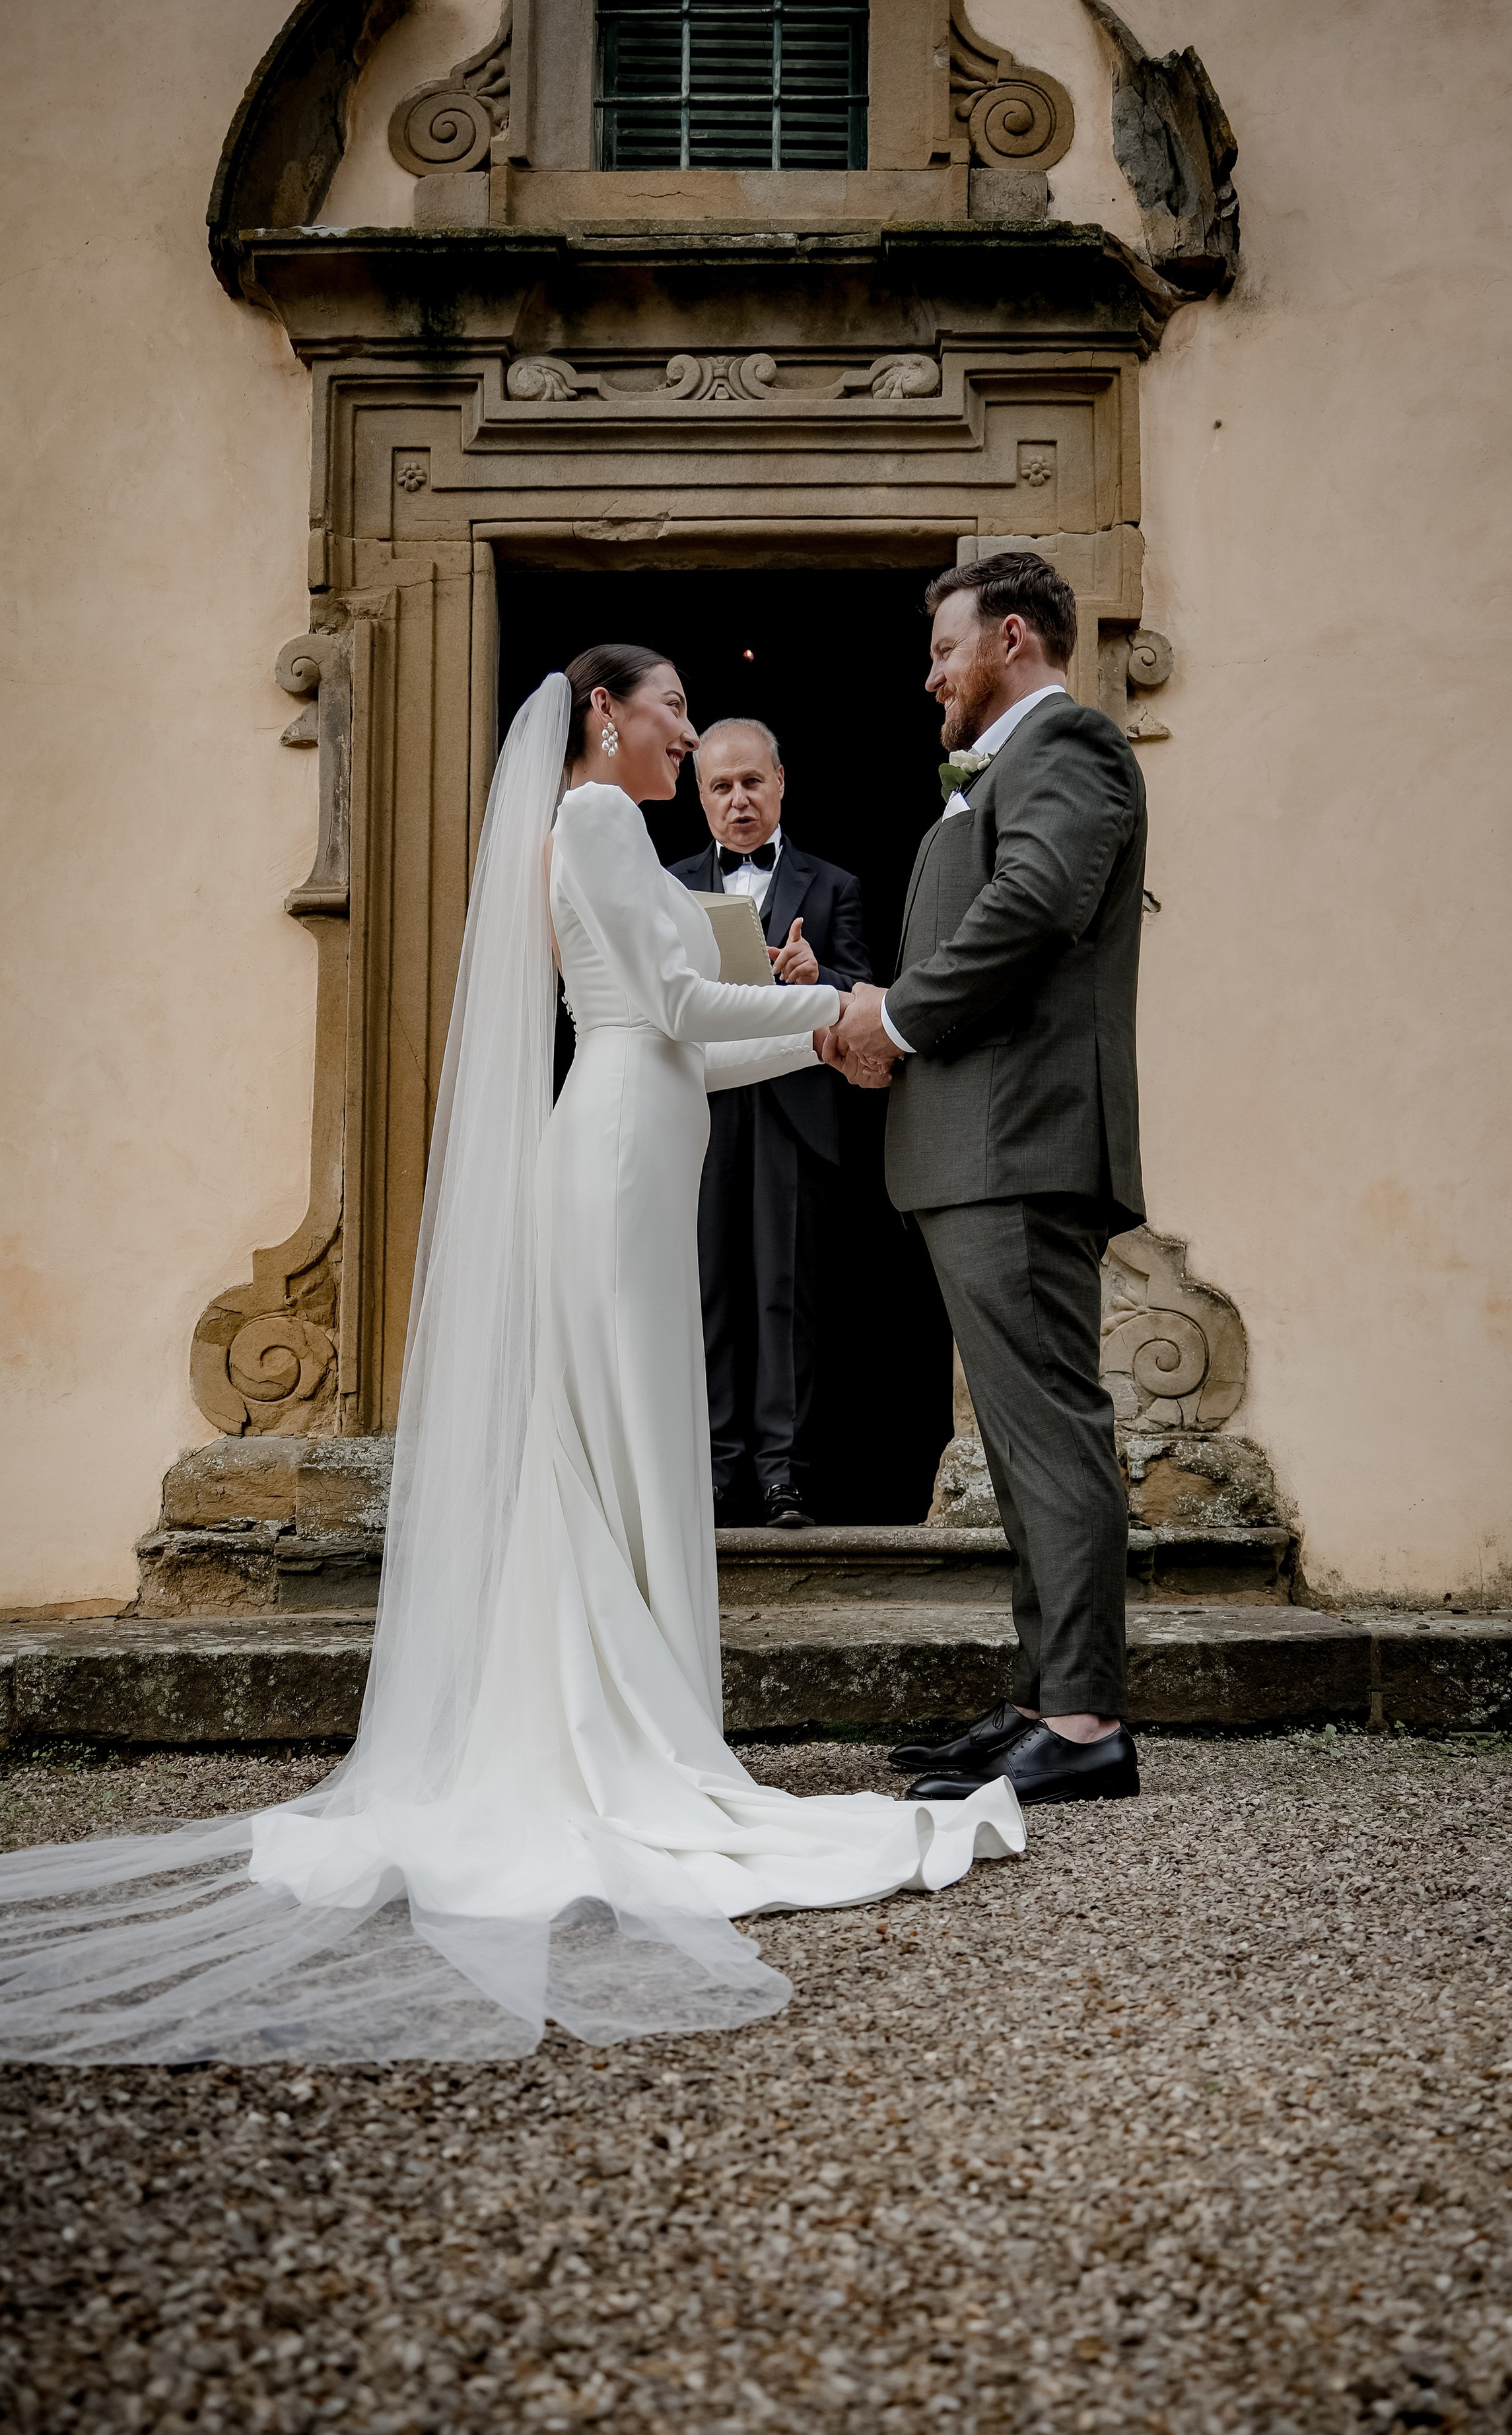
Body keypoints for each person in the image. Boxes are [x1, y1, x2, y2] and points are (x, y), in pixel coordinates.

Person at [0, 646, 1021, 2065]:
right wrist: (835, 1013)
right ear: (606, 716)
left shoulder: (606, 834)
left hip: (634, 1136)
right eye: (670, 711)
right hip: (611, 1164)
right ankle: (627, 1738)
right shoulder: (599, 819)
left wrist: (813, 1038)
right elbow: (670, 1019)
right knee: (618, 1438)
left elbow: (681, 1043)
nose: (683, 737)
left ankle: (645, 1719)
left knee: (620, 1441)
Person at [823, 552, 1148, 1808]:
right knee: (1023, 1444)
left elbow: (1033, 905)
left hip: (1019, 1144)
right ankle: (1045, 1694)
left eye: (945, 649)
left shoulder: (1069, 747)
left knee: (1052, 1433)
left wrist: (896, 1025)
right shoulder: (1006, 768)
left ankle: (1080, 1722)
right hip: (978, 1149)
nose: (929, 675)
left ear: (1013, 637)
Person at [669, 718, 873, 1528]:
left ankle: (783, 1475)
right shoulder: (668, 882)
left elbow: (869, 989)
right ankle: (716, 1472)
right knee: (707, 1291)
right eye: (720, 786)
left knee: (783, 1295)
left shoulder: (834, 886)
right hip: (702, 1105)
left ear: (781, 783)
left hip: (793, 1106)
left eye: (752, 782)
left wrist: (820, 974)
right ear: (701, 798)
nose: (738, 800)